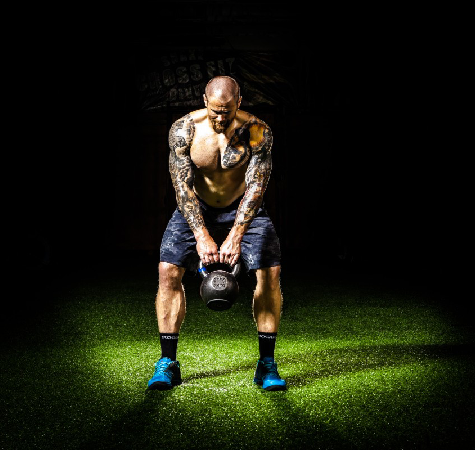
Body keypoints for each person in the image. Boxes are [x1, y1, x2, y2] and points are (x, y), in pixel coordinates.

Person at [148, 76, 286, 391]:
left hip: (244, 208)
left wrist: (236, 235)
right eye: (215, 111)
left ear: (239, 103)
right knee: (168, 271)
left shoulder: (256, 131)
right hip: (197, 207)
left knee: (270, 273)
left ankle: (266, 364)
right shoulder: (185, 129)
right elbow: (182, 188)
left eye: (227, 111)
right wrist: (201, 235)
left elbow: (256, 187)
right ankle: (168, 362)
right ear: (204, 101)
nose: (221, 118)